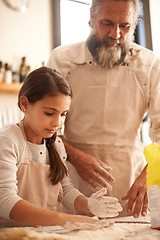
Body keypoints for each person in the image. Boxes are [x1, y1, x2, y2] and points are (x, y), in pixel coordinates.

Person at [47, 0, 160, 218]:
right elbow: (43, 128)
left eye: (125, 26)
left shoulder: (150, 64)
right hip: (71, 179)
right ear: (91, 17)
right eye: (106, 23)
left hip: (129, 182)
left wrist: (149, 176)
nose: (116, 34)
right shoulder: (61, 59)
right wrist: (77, 158)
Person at [0, 67, 122, 227]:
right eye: (50, 113)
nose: (57, 123)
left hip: (45, 235)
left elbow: (65, 189)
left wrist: (88, 204)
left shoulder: (55, 144)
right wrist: (68, 219)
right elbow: (5, 199)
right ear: (25, 104)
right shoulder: (8, 139)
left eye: (63, 114)